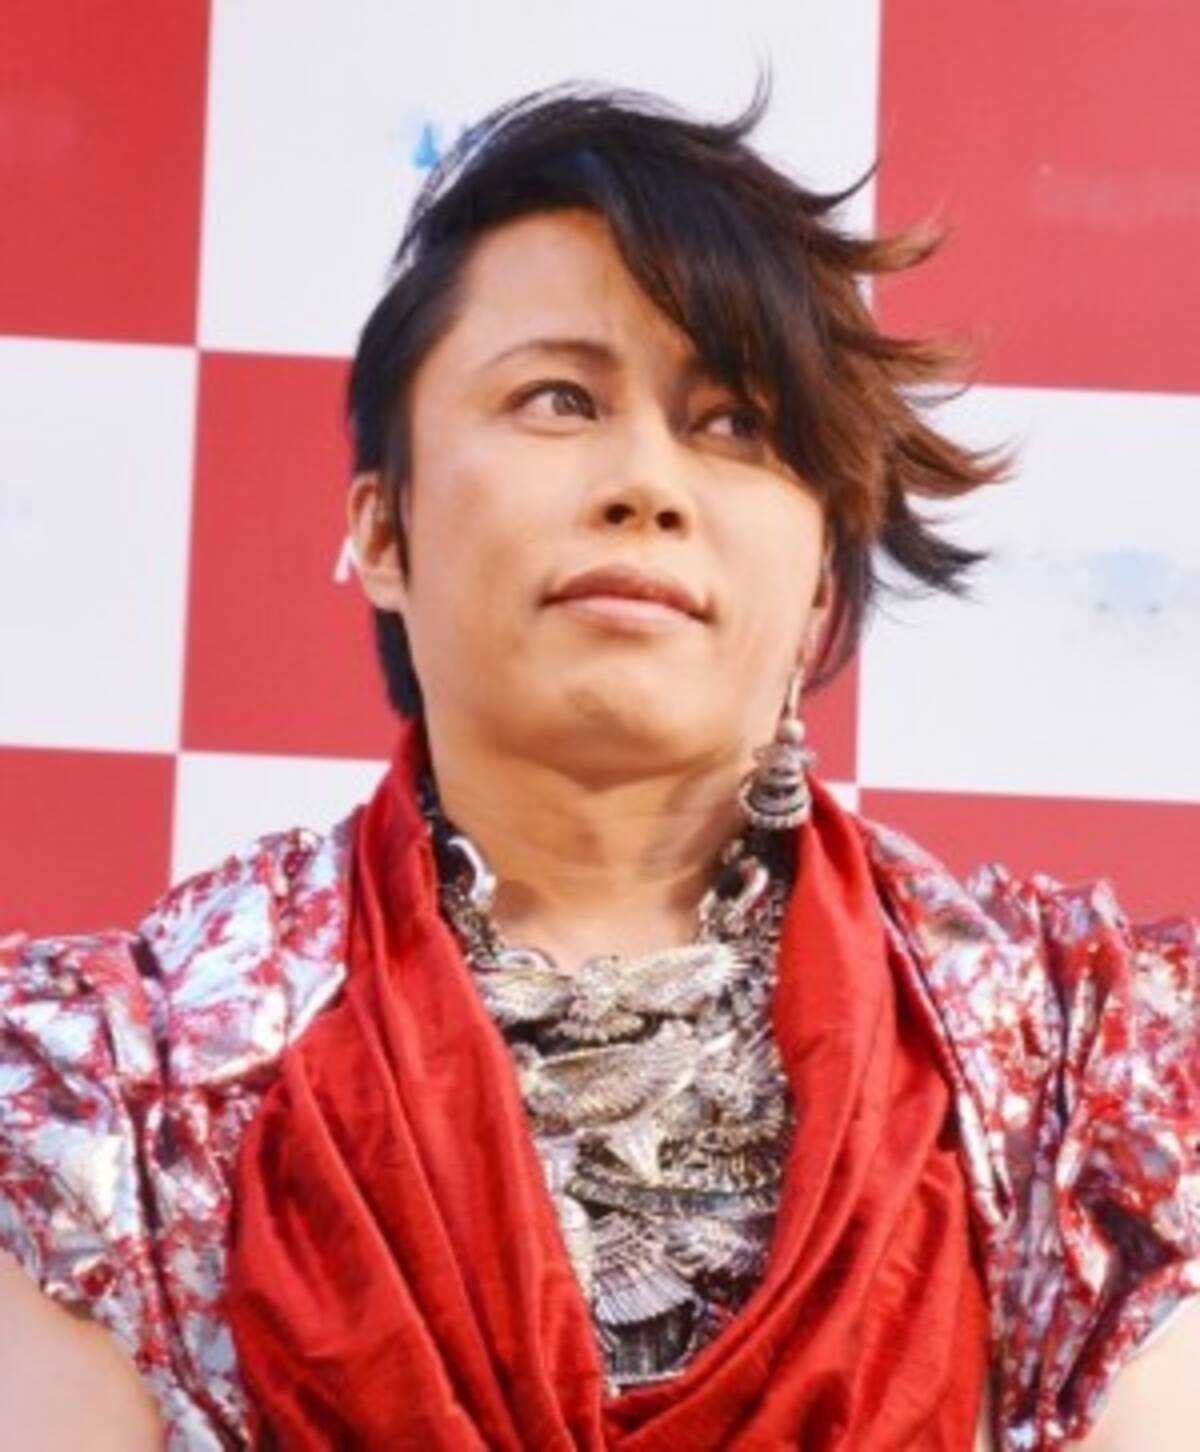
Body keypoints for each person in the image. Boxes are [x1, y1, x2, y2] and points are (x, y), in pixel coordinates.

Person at [2, 75, 1197, 1452]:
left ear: (822, 578)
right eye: (558, 398)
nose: (646, 484)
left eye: (735, 423)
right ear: (382, 532)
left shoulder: (1074, 1069)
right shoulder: (126, 1080)